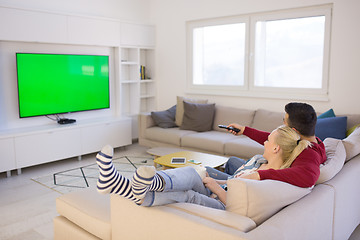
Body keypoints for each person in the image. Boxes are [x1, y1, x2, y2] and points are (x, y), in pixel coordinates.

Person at [96, 125, 311, 209]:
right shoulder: (260, 161)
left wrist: (213, 186)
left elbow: (239, 202)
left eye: (268, 140)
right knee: (192, 172)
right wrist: (213, 180)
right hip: (219, 191)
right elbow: (232, 182)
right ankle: (126, 185)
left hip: (226, 204)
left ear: (276, 150)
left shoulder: (272, 179)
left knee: (188, 194)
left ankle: (135, 189)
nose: (264, 142)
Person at [206, 102, 326, 188]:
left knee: (206, 170)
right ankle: (229, 182)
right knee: (232, 161)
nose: (283, 123)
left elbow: (308, 177)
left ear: (294, 130)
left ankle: (226, 187)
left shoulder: (309, 154)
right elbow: (275, 140)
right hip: (262, 169)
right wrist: (244, 130)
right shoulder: (315, 142)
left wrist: (257, 175)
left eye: (284, 121)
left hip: (262, 176)